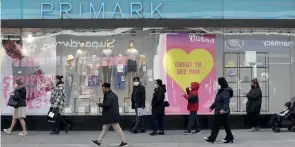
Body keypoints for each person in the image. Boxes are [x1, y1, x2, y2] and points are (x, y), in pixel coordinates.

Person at [205, 77, 234, 143]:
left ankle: (212, 138)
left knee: (216, 125)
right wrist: (211, 107)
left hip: (222, 112)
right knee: (226, 126)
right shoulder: (221, 91)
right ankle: (230, 137)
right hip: (219, 111)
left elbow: (226, 102)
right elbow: (217, 101)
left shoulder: (226, 91)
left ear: (221, 83)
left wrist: (224, 109)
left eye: (218, 83)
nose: (217, 84)